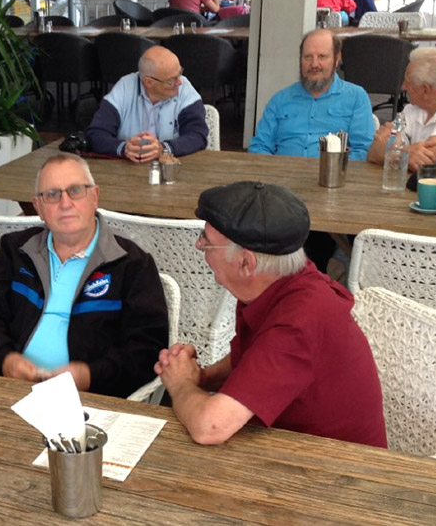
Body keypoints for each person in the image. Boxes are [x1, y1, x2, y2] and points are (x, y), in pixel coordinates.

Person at [155, 181, 387, 448]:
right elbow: (259, 356)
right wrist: (203, 377)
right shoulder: (278, 280)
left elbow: (211, 427)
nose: (199, 245)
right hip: (289, 444)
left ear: (246, 263)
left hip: (336, 464)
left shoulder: (299, 321)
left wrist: (180, 385)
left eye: (206, 242)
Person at [0, 153, 169, 398]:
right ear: (38, 207)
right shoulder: (16, 250)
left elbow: (147, 349)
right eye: (52, 194)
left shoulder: (132, 264)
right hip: (8, 388)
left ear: (94, 196)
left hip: (90, 400)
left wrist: (90, 376)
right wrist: (5, 359)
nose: (65, 203)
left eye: (75, 190)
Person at [248, 29, 374, 160]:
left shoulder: (356, 97)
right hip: (283, 171)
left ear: (337, 59)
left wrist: (334, 168)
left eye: (322, 56)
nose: (314, 64)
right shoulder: (280, 99)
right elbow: (259, 146)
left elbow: (363, 150)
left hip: (332, 172)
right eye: (308, 57)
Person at [86, 46, 208, 163]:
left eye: (179, 73)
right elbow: (96, 133)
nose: (179, 82)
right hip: (127, 169)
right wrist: (124, 148)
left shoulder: (185, 89)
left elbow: (198, 135)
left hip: (174, 168)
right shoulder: (124, 88)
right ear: (148, 82)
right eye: (171, 80)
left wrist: (163, 149)